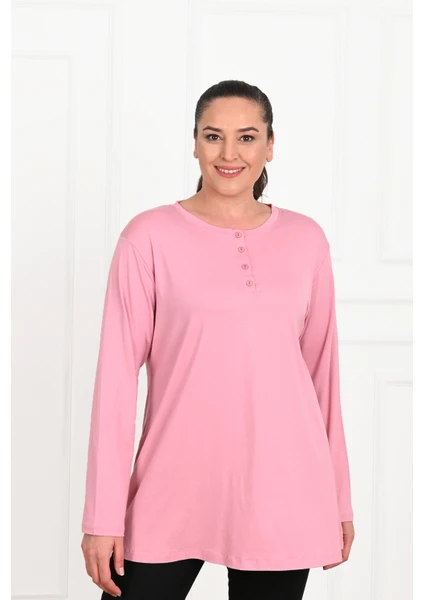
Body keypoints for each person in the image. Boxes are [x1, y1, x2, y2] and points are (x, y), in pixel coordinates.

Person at [80, 80, 355, 599]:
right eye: (214, 136)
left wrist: (338, 500)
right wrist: (102, 514)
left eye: (247, 137)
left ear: (270, 146)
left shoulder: (306, 240)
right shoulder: (148, 237)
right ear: (194, 143)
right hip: (171, 486)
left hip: (283, 490)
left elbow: (324, 377)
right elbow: (115, 383)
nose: (230, 153)